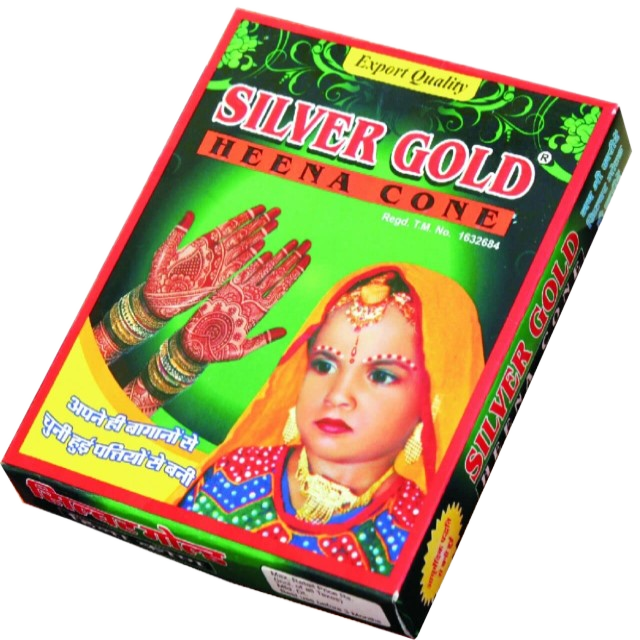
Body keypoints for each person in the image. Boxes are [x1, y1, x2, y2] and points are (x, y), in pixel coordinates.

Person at [178, 264, 485, 575]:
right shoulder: (233, 475)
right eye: (324, 366)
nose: (338, 395)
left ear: (430, 402)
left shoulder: (416, 532)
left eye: (380, 375)